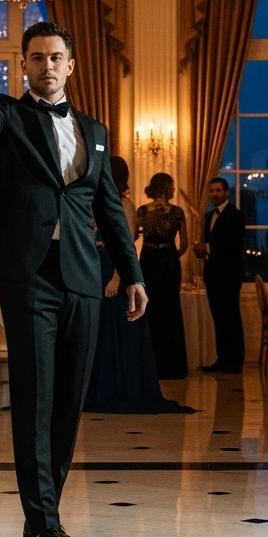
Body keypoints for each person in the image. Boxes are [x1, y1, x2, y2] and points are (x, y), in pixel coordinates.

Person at [0, 5, 147, 537]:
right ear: (23, 66)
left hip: (84, 280)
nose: (46, 66)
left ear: (71, 67)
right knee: (35, 401)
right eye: (36, 58)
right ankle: (42, 525)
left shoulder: (94, 131)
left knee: (67, 404)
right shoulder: (7, 118)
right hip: (29, 276)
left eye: (55, 58)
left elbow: (108, 209)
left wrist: (132, 273)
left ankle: (48, 513)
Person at [85, 158, 192, 414]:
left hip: (114, 269)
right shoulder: (97, 201)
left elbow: (127, 244)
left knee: (117, 328)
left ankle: (119, 387)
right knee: (99, 330)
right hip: (96, 265)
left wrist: (117, 278)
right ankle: (97, 388)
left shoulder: (126, 204)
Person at [136, 172, 191, 381]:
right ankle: (174, 367)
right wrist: (170, 254)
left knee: (150, 309)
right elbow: (184, 244)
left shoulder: (142, 210)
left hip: (149, 259)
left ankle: (151, 365)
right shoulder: (177, 212)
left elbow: (133, 235)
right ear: (168, 187)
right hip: (169, 261)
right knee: (171, 310)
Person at [193, 177, 245, 374]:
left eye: (218, 191)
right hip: (213, 274)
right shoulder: (208, 216)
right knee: (219, 318)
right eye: (212, 191)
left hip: (230, 275)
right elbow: (213, 247)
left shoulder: (236, 215)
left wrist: (207, 247)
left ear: (226, 192)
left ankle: (236, 361)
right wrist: (202, 251)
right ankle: (222, 358)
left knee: (231, 316)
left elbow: (234, 245)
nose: (214, 194)